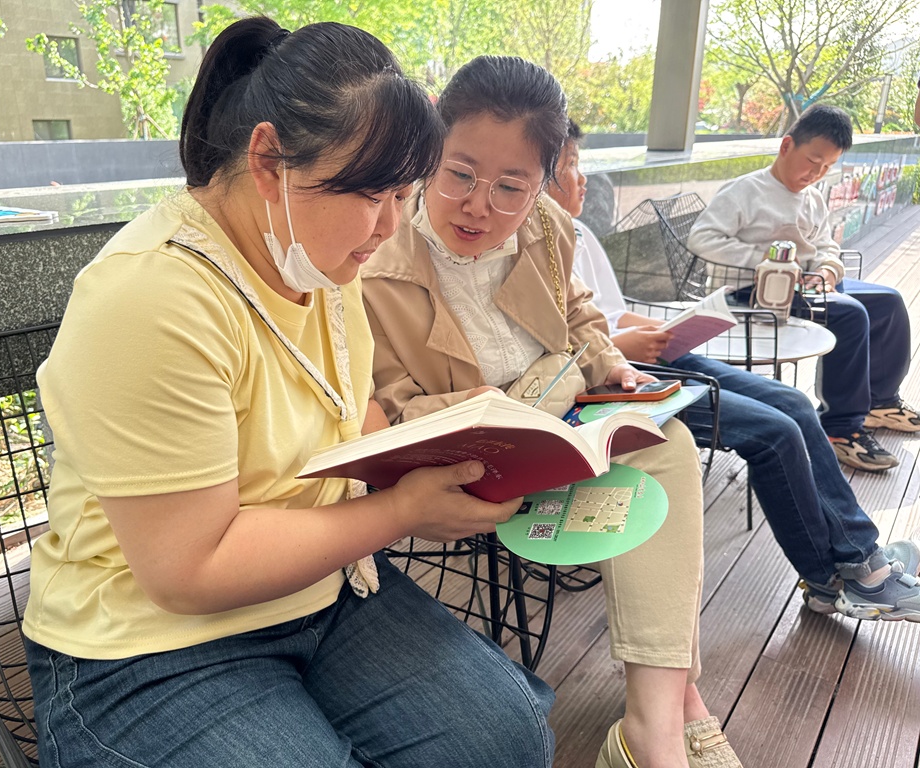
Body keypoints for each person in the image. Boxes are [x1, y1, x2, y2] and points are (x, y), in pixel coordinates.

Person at [21, 19, 556, 768]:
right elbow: (188, 569)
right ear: (269, 159)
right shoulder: (153, 295)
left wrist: (454, 463)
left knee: (505, 738)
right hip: (147, 641)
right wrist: (403, 511)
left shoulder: (319, 260)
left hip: (324, 588)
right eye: (370, 193)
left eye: (404, 194)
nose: (388, 226)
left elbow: (350, 414)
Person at [362, 56, 742, 768]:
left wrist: (610, 364)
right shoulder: (376, 250)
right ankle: (678, 710)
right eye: (459, 174)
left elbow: (578, 314)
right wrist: (523, 402)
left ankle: (656, 721)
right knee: (657, 459)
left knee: (666, 442)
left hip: (559, 426)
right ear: (430, 150)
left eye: (512, 186)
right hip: (471, 462)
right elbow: (386, 409)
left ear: (546, 179)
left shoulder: (545, 226)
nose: (479, 206)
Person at [548, 118, 920, 626]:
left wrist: (662, 327)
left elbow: (608, 314)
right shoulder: (538, 245)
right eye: (571, 165)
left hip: (651, 355)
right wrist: (623, 346)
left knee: (793, 403)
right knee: (776, 431)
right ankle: (839, 576)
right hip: (620, 378)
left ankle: (860, 560)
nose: (584, 178)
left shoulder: (579, 233)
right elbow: (570, 344)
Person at [687, 104, 918, 473]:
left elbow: (825, 245)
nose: (817, 173)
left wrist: (828, 269)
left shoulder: (812, 197)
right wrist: (770, 263)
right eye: (813, 161)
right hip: (752, 294)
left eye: (827, 167)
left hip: (806, 286)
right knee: (850, 315)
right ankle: (840, 429)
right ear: (786, 146)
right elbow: (702, 238)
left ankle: (880, 401)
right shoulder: (746, 191)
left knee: (887, 302)